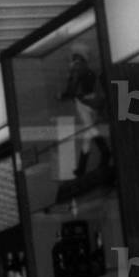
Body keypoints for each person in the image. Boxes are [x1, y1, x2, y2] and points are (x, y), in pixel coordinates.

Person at [58, 42, 110, 177]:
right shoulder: (88, 71)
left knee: (89, 130)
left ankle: (102, 155)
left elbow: (71, 89)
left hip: (84, 103)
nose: (74, 61)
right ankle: (85, 166)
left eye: (76, 58)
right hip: (91, 103)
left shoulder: (77, 70)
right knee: (89, 131)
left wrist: (63, 95)